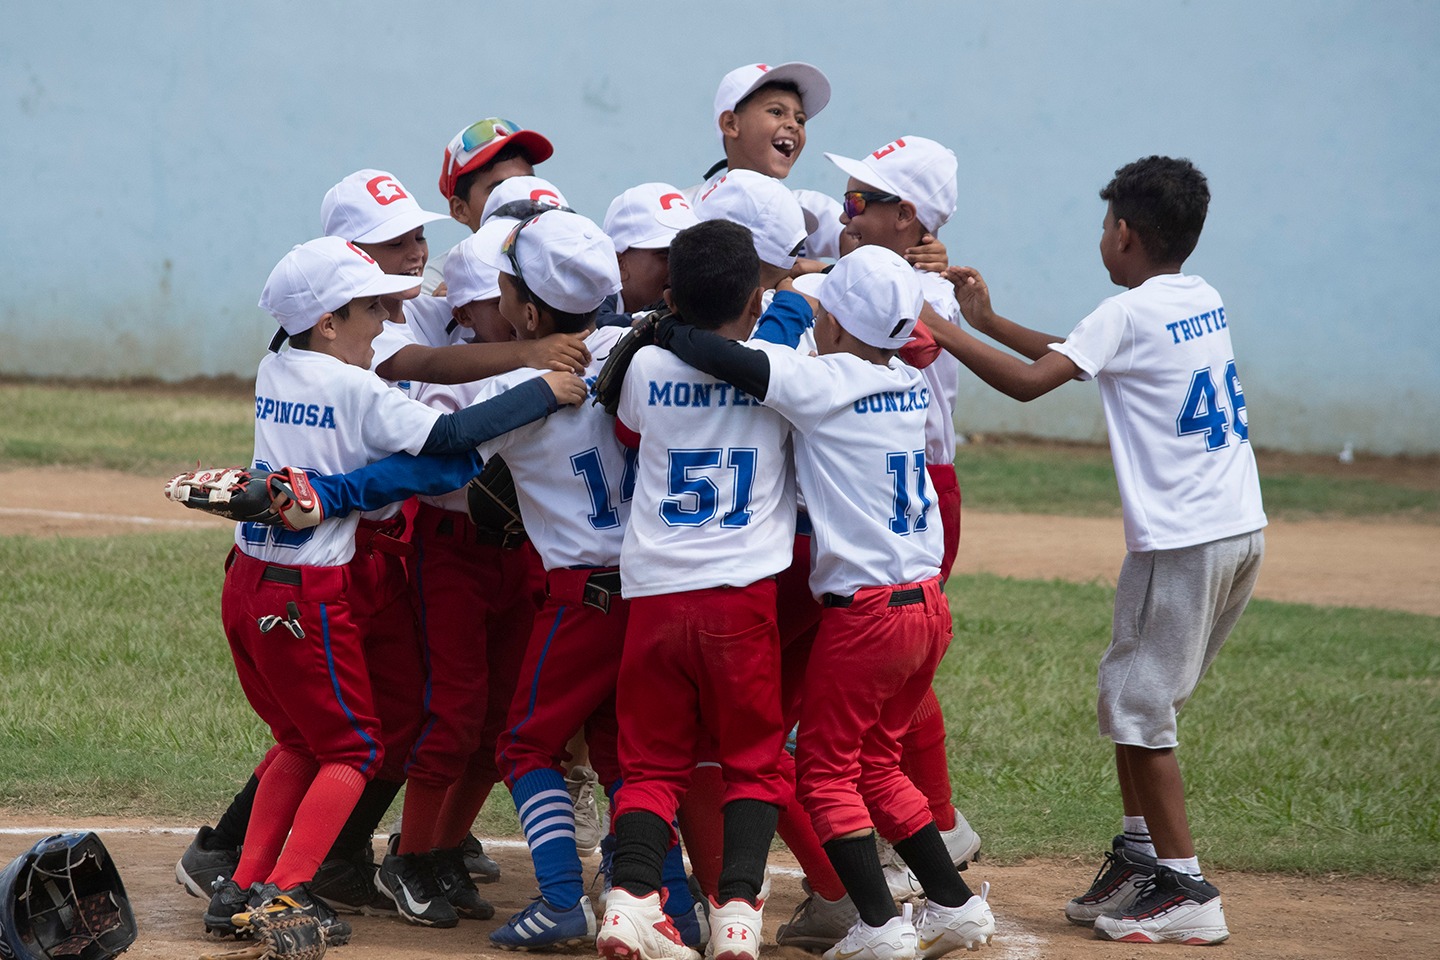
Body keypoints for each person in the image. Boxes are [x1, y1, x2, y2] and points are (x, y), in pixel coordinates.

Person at [202, 236, 586, 942]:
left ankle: (240, 886)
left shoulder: (275, 365)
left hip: (251, 578)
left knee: (297, 738)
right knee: (354, 750)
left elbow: (403, 467)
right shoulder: (354, 388)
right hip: (308, 588)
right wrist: (542, 390)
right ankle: (286, 892)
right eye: (371, 310)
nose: (383, 325)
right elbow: (451, 438)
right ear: (327, 322)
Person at [938, 155, 1264, 946]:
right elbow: (1088, 351)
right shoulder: (1196, 298)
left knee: (1141, 706)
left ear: (1122, 232)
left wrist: (937, 328)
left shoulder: (1127, 314)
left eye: (1104, 224)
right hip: (1237, 528)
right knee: (1126, 689)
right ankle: (1141, 854)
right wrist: (988, 321)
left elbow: (1030, 382)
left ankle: (1186, 888)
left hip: (1183, 539)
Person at [652, 245, 995, 959]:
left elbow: (732, 361)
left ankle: (877, 923)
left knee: (825, 771)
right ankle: (953, 904)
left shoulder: (826, 378)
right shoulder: (905, 375)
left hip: (867, 614)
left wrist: (666, 328)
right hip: (926, 605)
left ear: (839, 320)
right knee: (875, 763)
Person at [599, 220, 797, 960]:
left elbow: (627, 437)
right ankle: (738, 917)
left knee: (649, 763)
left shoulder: (647, 367)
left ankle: (630, 902)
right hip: (740, 600)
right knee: (753, 761)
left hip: (654, 594)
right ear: (754, 301)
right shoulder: (777, 367)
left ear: (673, 296)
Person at [824, 136, 983, 898]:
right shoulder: (893, 277)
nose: (842, 215)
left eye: (859, 201)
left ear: (908, 217)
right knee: (898, 663)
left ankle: (937, 819)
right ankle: (932, 819)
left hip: (911, 486)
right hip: (896, 481)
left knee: (891, 659)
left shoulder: (925, 298)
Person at [697, 62, 947, 272]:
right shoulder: (689, 207)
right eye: (776, 111)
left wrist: (919, 251)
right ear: (731, 124)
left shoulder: (808, 207)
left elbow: (864, 249)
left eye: (800, 119)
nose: (793, 125)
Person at [425, 117, 555, 293]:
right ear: (460, 209)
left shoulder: (568, 257)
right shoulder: (435, 284)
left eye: (526, 182)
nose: (520, 196)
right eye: (499, 187)